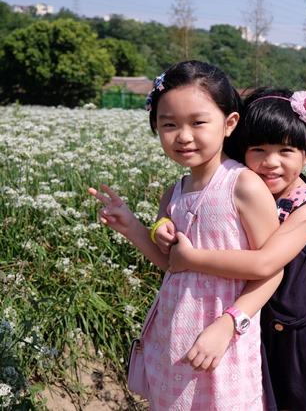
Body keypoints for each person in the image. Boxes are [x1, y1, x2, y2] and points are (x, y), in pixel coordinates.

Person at [88, 61, 282, 410]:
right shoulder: (173, 192)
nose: (183, 136)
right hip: (174, 337)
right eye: (169, 125)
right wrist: (131, 225)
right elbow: (170, 264)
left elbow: (272, 270)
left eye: (198, 122)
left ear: (229, 123)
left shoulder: (244, 186)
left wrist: (228, 325)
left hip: (225, 339)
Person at [159, 87, 306, 410]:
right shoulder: (246, 191)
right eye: (259, 149)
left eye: (285, 151)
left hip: (303, 328)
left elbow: (266, 262)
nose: (270, 163)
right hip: (263, 321)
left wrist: (191, 258)